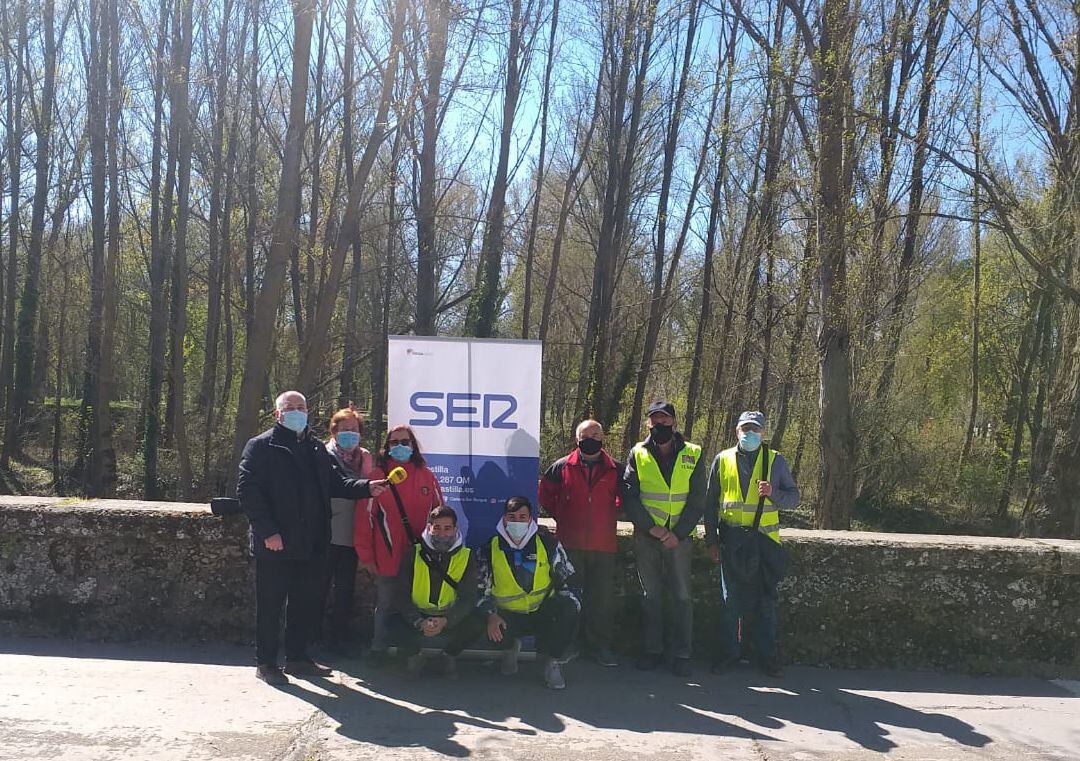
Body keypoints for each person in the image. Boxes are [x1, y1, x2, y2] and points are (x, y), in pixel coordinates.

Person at [237, 390, 388, 686]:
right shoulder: (260, 446)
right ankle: (266, 663)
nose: (296, 411)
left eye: (301, 407)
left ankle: (297, 658)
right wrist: (268, 532)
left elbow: (337, 483)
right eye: (289, 407)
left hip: (313, 541)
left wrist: (367, 488)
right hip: (275, 543)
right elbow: (248, 492)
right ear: (278, 414)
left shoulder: (316, 448)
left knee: (304, 603)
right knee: (270, 605)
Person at [704, 411, 800, 678]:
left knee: (766, 604)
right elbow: (710, 503)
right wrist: (711, 541)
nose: (750, 434)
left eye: (755, 429)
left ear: (763, 433)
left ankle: (767, 658)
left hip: (765, 543)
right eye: (745, 429)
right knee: (730, 603)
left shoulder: (776, 460)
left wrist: (773, 494)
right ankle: (729, 654)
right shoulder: (722, 460)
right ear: (737, 431)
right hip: (732, 542)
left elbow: (794, 499)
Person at [620, 400, 706, 677]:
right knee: (651, 596)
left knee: (682, 596)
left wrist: (677, 534)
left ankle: (682, 654)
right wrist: (651, 528)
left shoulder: (694, 453)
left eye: (665, 420)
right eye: (655, 420)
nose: (660, 425)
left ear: (675, 423)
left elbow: (697, 499)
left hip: (679, 539)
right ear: (648, 424)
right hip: (648, 537)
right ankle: (652, 650)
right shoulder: (638, 453)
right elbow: (630, 498)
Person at [354, 424, 445, 660]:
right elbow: (364, 520)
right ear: (387, 447)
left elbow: (441, 515)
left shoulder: (427, 475)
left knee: (418, 604)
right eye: (395, 442)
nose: (400, 446)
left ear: (413, 445)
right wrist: (366, 556)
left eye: (405, 442)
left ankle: (413, 651)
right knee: (385, 604)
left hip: (421, 557)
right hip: (388, 555)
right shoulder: (378, 477)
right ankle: (379, 648)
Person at [538, 419, 622, 667]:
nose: (591, 439)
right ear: (577, 440)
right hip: (570, 544)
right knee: (568, 598)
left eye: (596, 434)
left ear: (603, 436)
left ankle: (600, 646)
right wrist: (562, 515)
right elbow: (545, 495)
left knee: (602, 600)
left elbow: (625, 499)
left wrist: (607, 516)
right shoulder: (560, 467)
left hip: (603, 545)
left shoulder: (616, 468)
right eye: (586, 435)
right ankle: (567, 645)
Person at [477, 496, 579, 690]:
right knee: (480, 617)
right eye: (511, 517)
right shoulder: (488, 549)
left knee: (570, 607)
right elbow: (480, 590)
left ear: (531, 519)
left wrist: (570, 605)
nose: (517, 522)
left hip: (541, 613)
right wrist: (490, 615)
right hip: (507, 616)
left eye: (522, 517)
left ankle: (552, 662)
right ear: (504, 520)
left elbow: (567, 581)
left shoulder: (548, 544)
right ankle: (509, 649)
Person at [391, 506, 484, 677]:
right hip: (419, 615)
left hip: (449, 616)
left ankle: (449, 655)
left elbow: (468, 598)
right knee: (392, 620)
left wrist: (447, 620)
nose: (442, 533)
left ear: (455, 530)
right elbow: (400, 594)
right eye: (437, 528)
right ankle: (414, 656)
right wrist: (418, 621)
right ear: (429, 528)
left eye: (447, 528)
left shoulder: (466, 556)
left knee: (477, 622)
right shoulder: (413, 553)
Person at [319, 404, 373, 652]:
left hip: (356, 531)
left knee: (345, 589)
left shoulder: (366, 457)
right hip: (328, 530)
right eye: (344, 429)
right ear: (334, 431)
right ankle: (314, 637)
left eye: (354, 429)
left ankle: (338, 637)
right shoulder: (323, 454)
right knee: (319, 587)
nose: (350, 433)